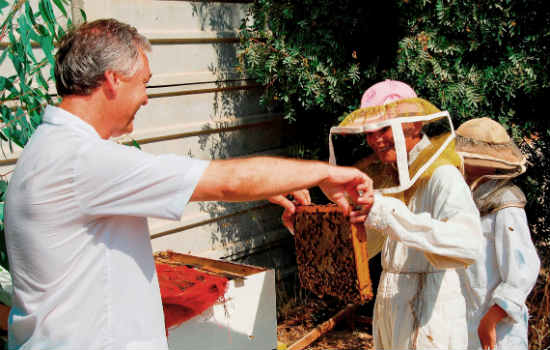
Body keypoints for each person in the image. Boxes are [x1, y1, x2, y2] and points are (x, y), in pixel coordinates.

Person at [3, 19, 374, 349]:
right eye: (144, 83)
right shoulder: (81, 161)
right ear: (114, 80)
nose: (147, 98)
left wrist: (262, 186)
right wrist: (326, 173)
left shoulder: (51, 150)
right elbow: (227, 182)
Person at [343, 80, 482, 349]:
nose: (374, 140)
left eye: (383, 128)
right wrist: (303, 226)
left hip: (430, 312)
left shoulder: (443, 175)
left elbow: (468, 244)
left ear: (415, 125)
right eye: (369, 132)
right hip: (391, 305)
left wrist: (388, 214)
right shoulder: (392, 177)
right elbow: (365, 244)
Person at [455, 117, 540, 350]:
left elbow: (522, 270)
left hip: (499, 328)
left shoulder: (506, 204)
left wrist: (492, 318)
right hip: (465, 322)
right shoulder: (465, 197)